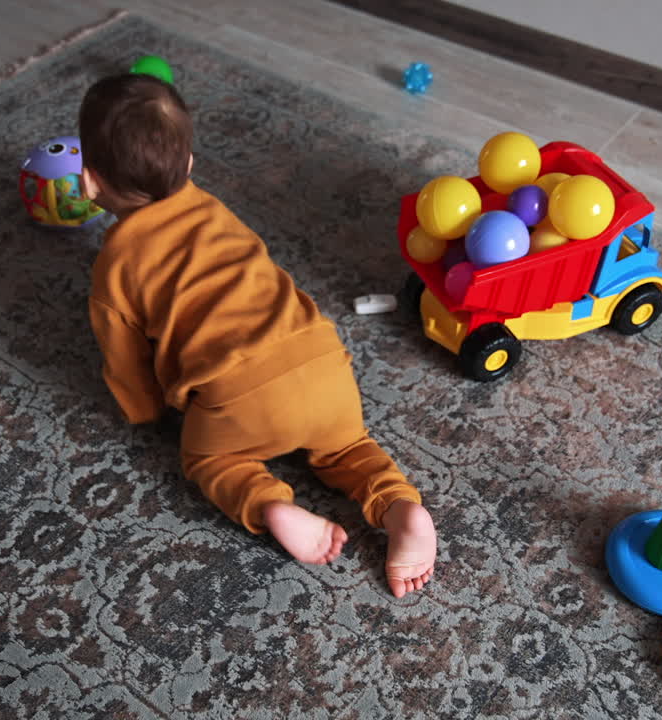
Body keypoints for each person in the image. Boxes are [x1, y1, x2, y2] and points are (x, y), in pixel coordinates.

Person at [78, 73, 436, 598]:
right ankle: (401, 508)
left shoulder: (114, 270)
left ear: (89, 183)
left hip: (236, 397)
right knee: (349, 448)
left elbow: (126, 362)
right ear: (191, 166)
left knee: (208, 460)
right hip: (320, 359)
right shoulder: (218, 212)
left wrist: (144, 411)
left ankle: (271, 505)